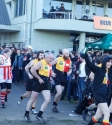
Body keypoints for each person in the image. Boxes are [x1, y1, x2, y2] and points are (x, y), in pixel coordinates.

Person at [83, 48, 112, 125]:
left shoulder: (110, 72)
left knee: (97, 116)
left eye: (111, 62)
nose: (110, 63)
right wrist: (85, 54)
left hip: (106, 95)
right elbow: (89, 64)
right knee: (107, 114)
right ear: (104, 62)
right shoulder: (98, 69)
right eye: (108, 62)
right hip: (99, 94)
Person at [24, 52, 55, 123]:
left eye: (52, 58)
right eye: (50, 58)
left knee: (48, 100)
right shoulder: (41, 63)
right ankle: (26, 114)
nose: (52, 59)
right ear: (46, 57)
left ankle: (39, 115)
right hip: (38, 83)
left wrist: (51, 75)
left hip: (45, 83)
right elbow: (32, 70)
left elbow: (48, 71)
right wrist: (39, 78)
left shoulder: (49, 64)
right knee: (32, 99)